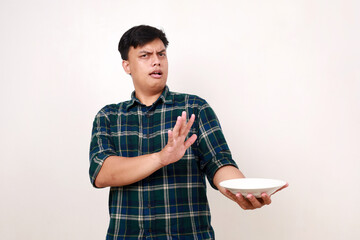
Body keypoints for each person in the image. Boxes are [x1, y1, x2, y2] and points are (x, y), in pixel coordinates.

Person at [89, 25, 287, 240]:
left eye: (161, 54)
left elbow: (219, 162)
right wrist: (161, 158)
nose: (156, 61)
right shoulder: (109, 116)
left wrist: (243, 192)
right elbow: (101, 173)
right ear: (127, 65)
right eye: (145, 55)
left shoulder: (195, 108)